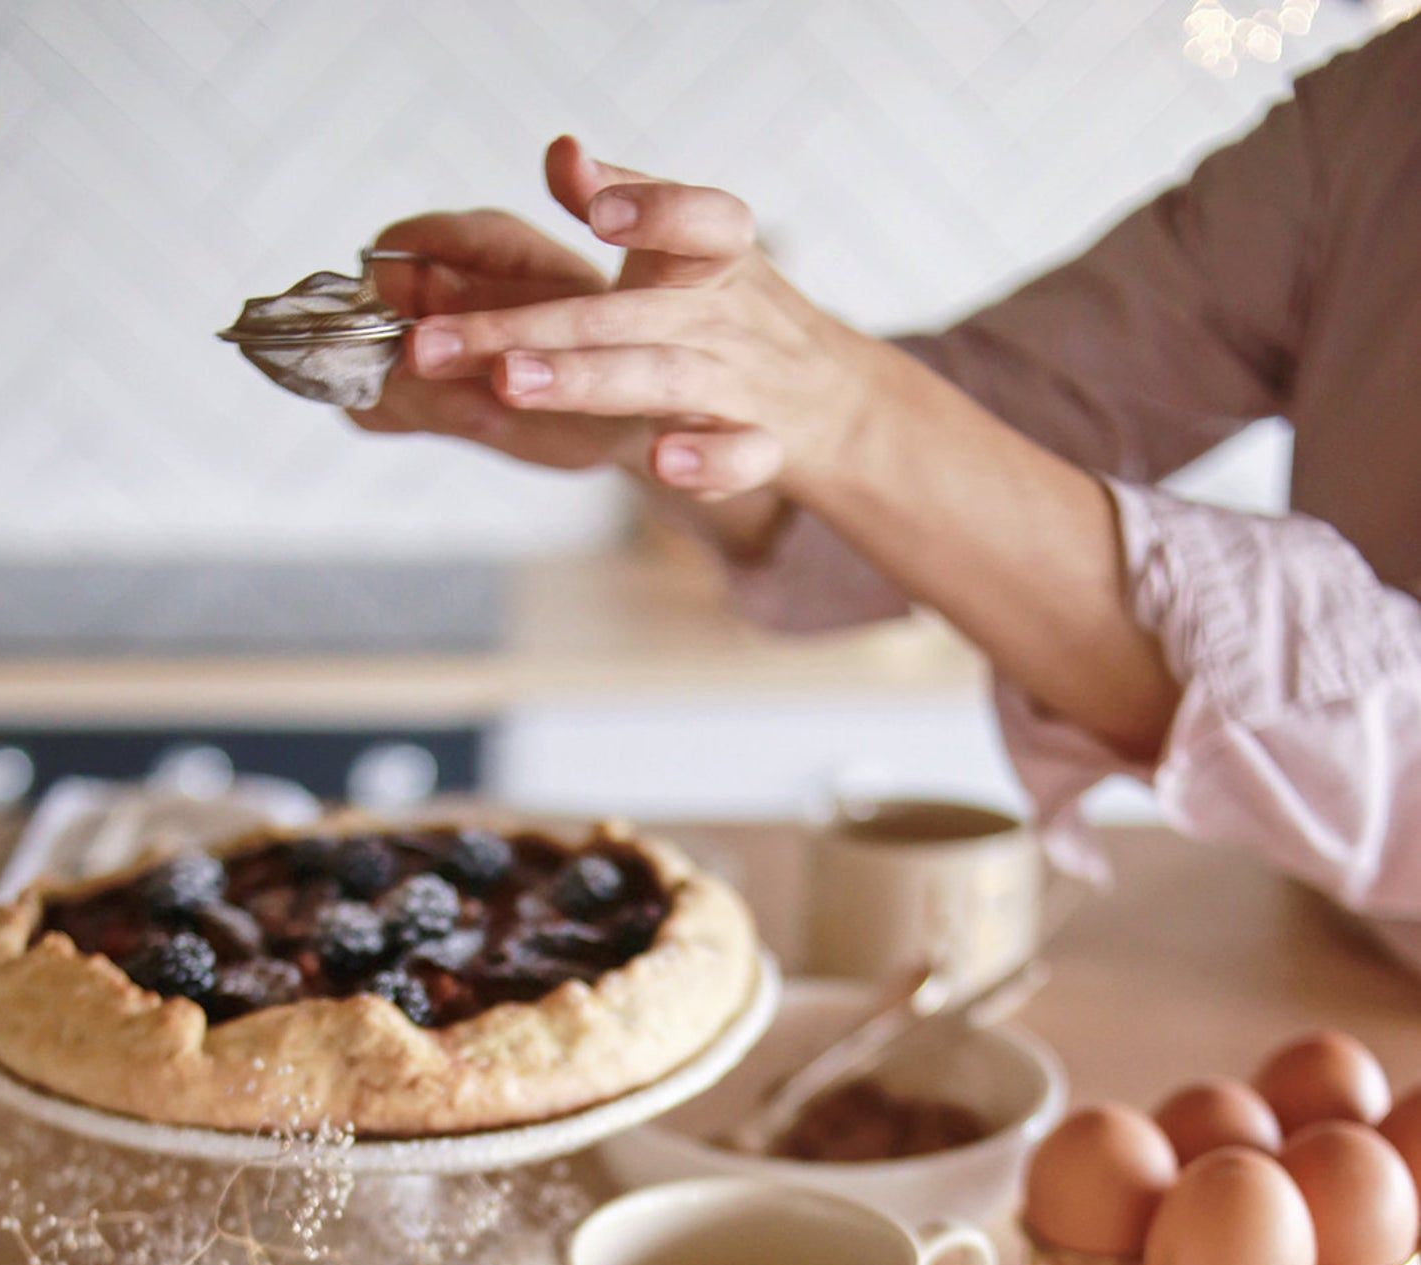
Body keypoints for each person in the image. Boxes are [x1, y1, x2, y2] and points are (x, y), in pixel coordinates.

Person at [350, 19, 1421, 916]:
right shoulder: (1382, 106)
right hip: (1312, 953)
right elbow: (998, 430)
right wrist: (663, 406)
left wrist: (841, 409)